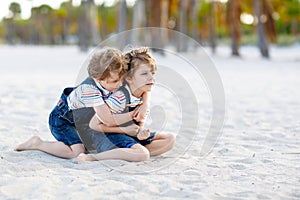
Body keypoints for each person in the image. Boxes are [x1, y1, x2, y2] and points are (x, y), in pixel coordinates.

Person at [14, 48, 149, 159]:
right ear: (98, 79)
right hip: (62, 121)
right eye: (114, 82)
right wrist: (133, 115)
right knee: (77, 152)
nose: (120, 84)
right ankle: (38, 143)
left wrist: (144, 104)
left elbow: (141, 87)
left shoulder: (114, 77)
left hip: (82, 122)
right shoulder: (89, 90)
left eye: (121, 80)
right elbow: (107, 119)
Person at [77, 47, 176, 163]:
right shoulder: (120, 97)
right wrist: (125, 130)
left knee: (170, 139)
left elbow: (138, 125)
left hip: (128, 135)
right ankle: (91, 158)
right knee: (143, 155)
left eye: (152, 73)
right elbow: (94, 124)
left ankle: (128, 152)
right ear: (128, 78)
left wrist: (140, 132)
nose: (151, 78)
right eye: (144, 74)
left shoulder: (142, 93)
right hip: (107, 136)